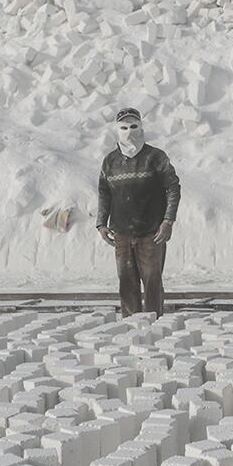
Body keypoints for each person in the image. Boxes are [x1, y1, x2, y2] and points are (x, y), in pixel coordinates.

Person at [95, 107, 181, 317]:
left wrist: (168, 221)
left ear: (141, 127)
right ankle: (131, 326)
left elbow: (173, 188)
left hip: (151, 233)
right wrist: (101, 223)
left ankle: (154, 325)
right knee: (126, 282)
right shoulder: (110, 161)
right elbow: (104, 193)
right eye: (124, 127)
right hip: (122, 234)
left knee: (152, 281)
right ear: (117, 130)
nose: (129, 132)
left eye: (134, 126)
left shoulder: (155, 157)